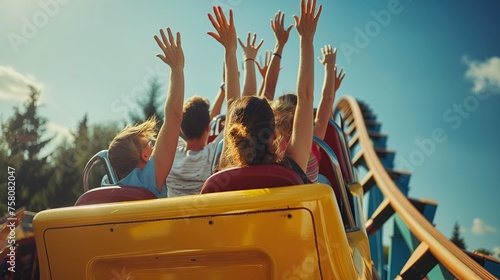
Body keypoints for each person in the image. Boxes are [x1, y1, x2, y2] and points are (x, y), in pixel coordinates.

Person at [206, 0, 322, 184]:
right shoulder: (291, 169)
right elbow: (305, 96)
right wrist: (306, 39)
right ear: (276, 132)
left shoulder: (226, 170)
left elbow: (231, 102)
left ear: (233, 132)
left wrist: (230, 49)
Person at [107, 27, 184, 198]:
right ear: (144, 155)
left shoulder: (107, 188)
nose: (154, 146)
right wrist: (177, 68)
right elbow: (174, 117)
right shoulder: (147, 181)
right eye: (149, 143)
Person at [273, 45, 345, 182]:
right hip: (307, 197)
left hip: (278, 192)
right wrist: (329, 67)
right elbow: (327, 99)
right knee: (325, 181)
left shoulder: (270, 141)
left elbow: (268, 89)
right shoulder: (312, 139)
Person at [166, 94, 225, 197]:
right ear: (208, 127)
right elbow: (233, 120)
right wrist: (223, 91)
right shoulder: (212, 155)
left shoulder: (172, 155)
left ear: (181, 129)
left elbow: (172, 117)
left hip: (173, 212)